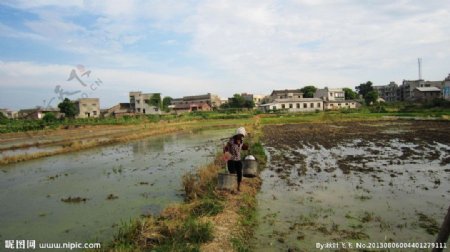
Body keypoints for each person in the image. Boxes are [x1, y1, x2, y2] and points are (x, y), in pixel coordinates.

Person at [223, 127, 248, 191]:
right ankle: (232, 187)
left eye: (242, 135)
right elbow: (226, 148)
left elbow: (242, 147)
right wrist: (226, 152)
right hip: (231, 160)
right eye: (240, 135)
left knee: (239, 173)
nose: (241, 137)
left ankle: (238, 187)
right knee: (233, 173)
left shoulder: (241, 141)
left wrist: (246, 147)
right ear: (237, 135)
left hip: (238, 160)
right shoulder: (231, 141)